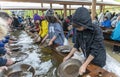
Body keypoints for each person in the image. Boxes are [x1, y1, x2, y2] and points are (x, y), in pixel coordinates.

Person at [63, 7, 106, 75]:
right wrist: (68, 56)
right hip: (88, 56)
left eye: (79, 27)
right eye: (76, 27)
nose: (77, 29)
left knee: (95, 73)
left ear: (86, 23)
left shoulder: (97, 30)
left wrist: (84, 65)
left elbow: (94, 50)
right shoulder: (79, 30)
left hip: (98, 58)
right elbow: (76, 45)